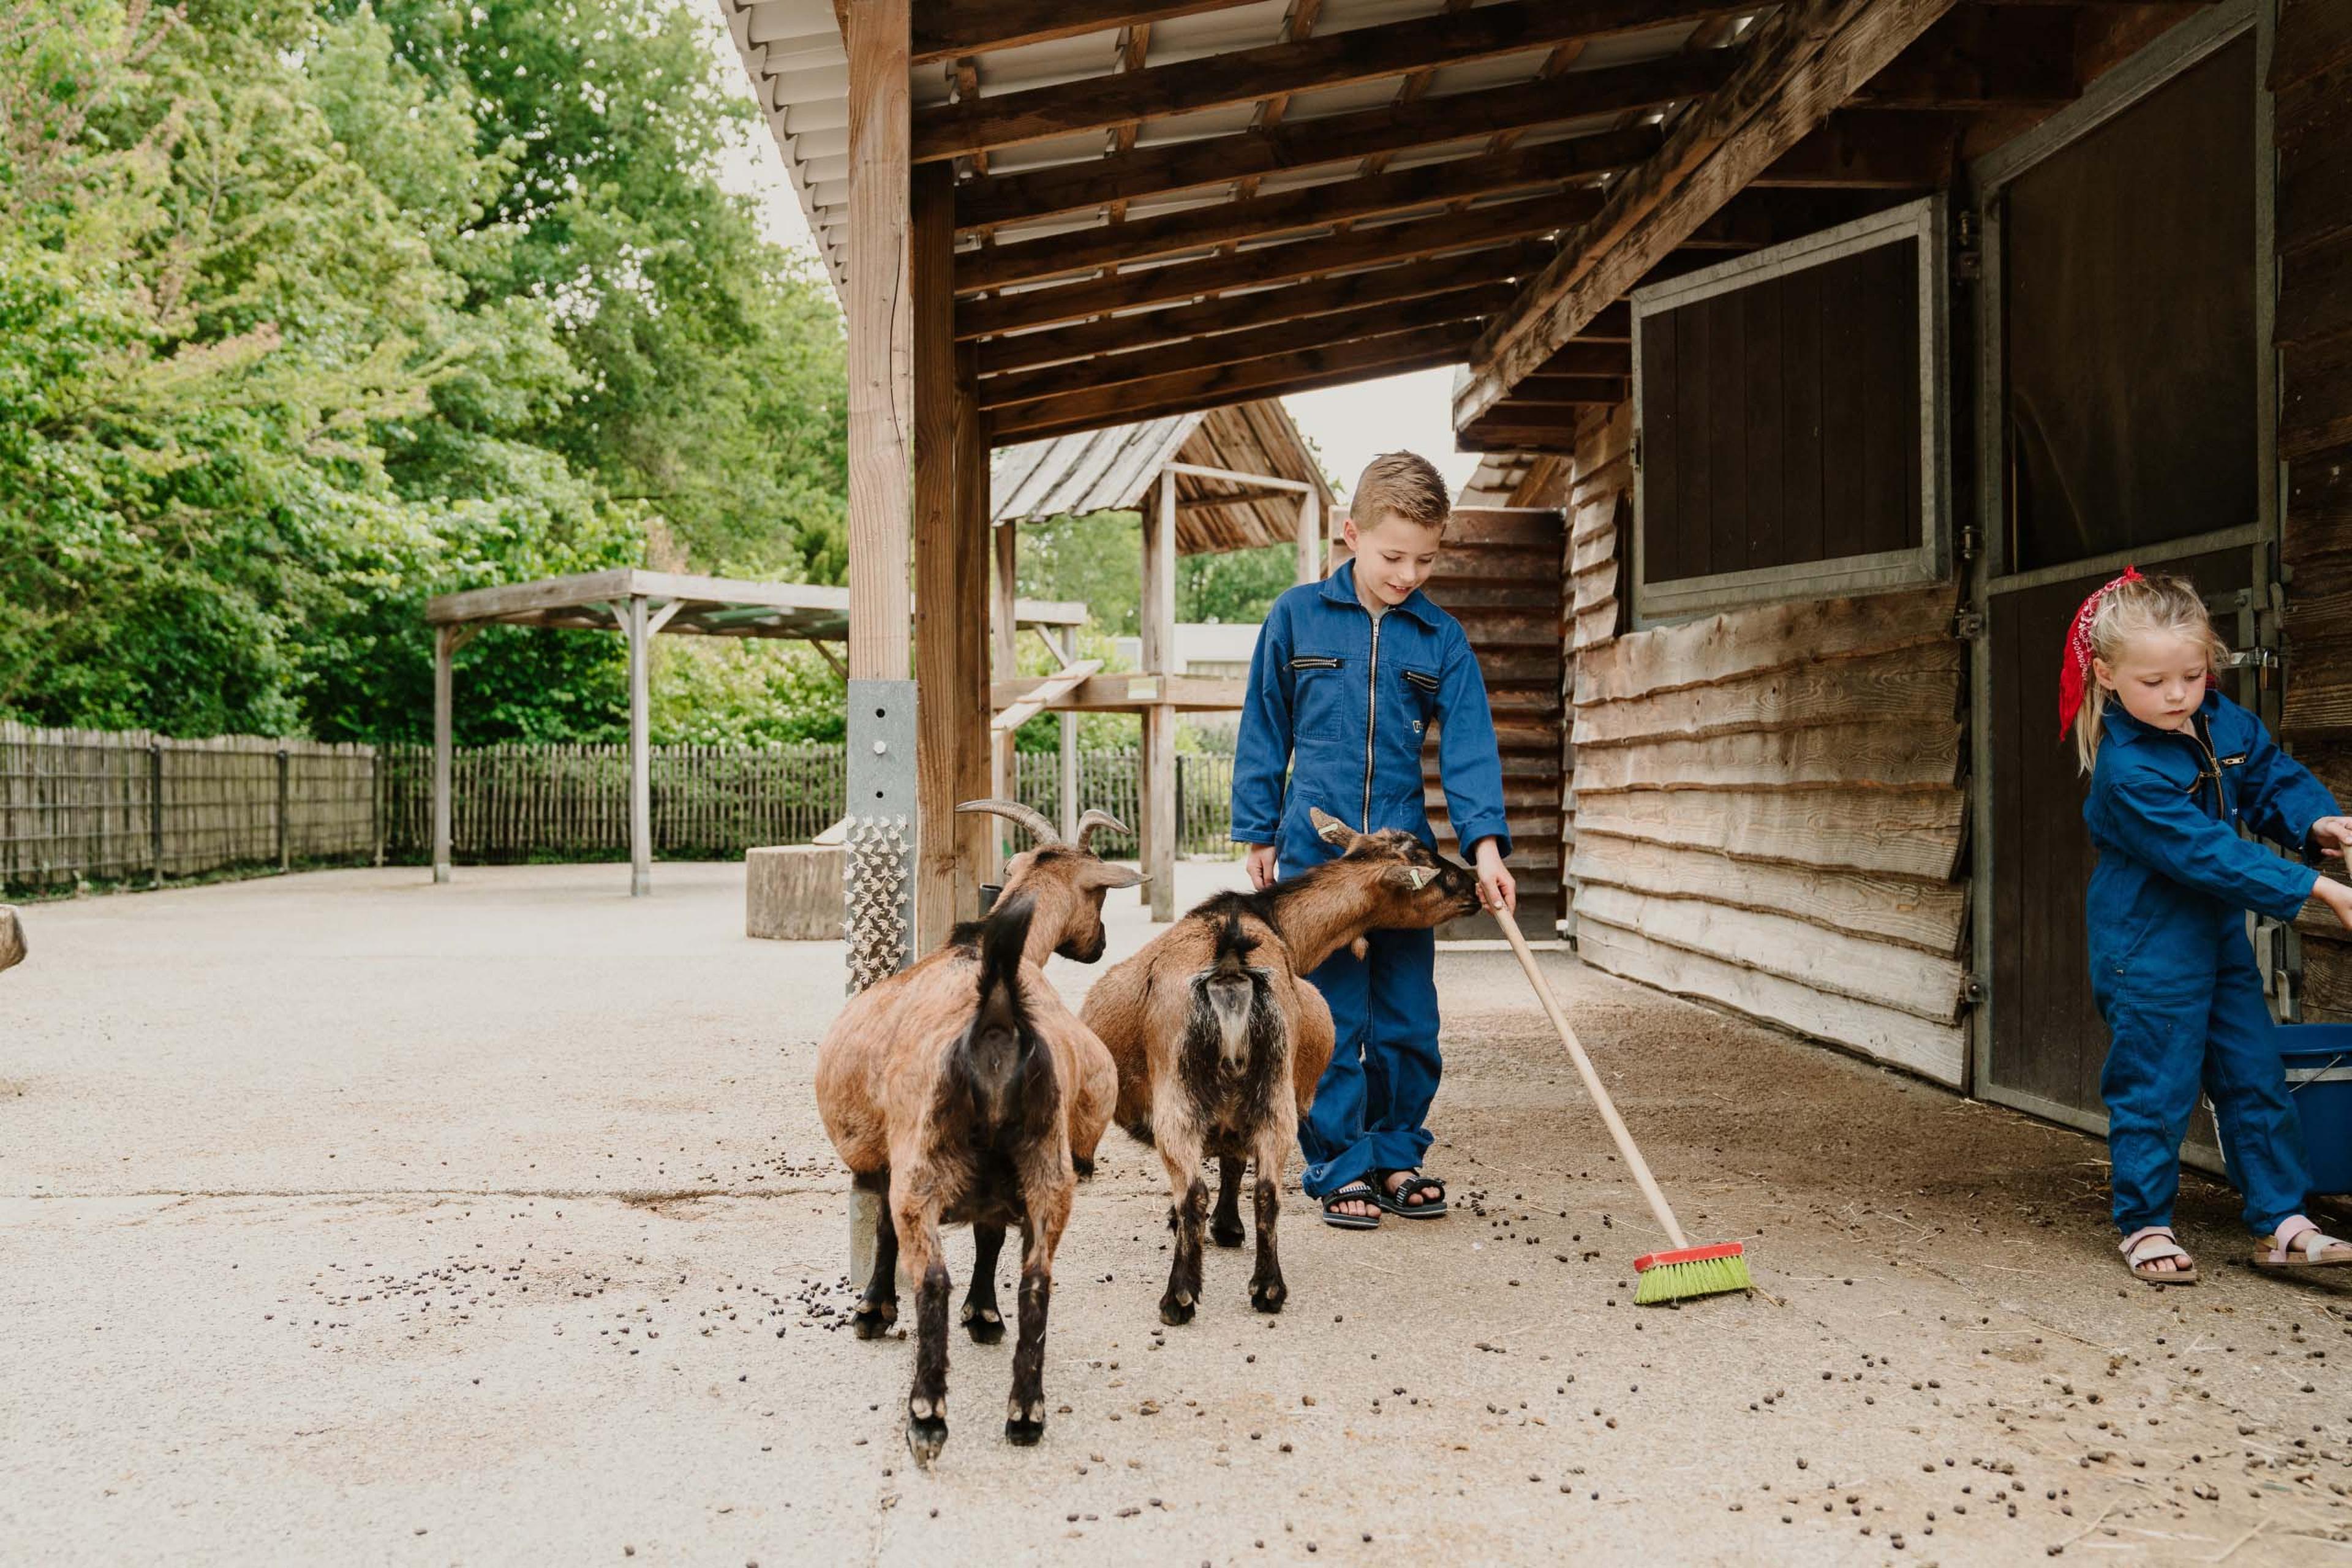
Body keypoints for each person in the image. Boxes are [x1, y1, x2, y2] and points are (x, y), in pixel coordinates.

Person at [1231, 451, 1513, 1229]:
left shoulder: (1441, 640)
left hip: (1404, 871)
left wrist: (1484, 846)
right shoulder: (1295, 617)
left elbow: (1468, 748)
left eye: (1425, 559)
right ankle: (1340, 1161)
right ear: (1351, 534)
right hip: (1320, 867)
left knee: (1408, 1020)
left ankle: (1397, 1153)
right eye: (1393, 556)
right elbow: (1265, 725)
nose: (1408, 574)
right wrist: (1257, 827)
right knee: (1332, 1017)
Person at [2065, 568, 2352, 1284]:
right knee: (2155, 1082)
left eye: (2191, 676)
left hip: (2217, 938)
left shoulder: (2222, 721)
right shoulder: (2126, 769)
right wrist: (2317, 886)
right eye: (2154, 681)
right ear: (2106, 676)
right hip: (2147, 945)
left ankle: (2282, 1220)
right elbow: (2207, 853)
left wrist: (2320, 822)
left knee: (2254, 1071)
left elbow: (2267, 776)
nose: (2176, 696)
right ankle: (2145, 1221)